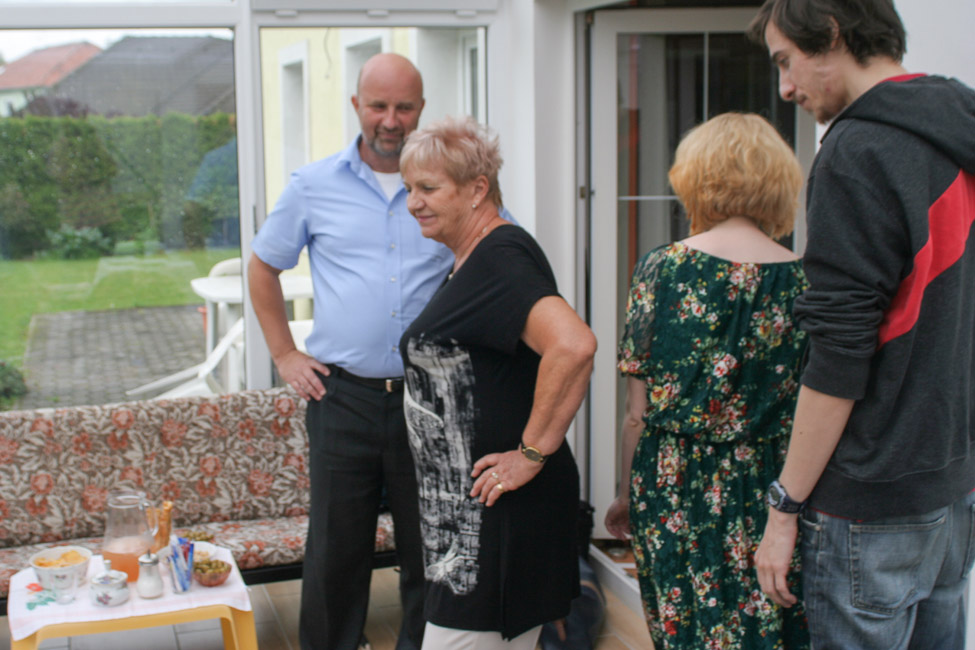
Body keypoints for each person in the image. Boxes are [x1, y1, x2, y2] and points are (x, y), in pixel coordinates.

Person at [748, 1, 975, 648]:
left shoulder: (858, 149)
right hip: (950, 489)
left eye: (786, 61)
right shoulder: (956, 125)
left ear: (831, 35)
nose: (785, 88)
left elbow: (840, 353)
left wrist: (784, 506)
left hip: (871, 500)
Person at [248, 52, 435, 650]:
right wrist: (285, 354)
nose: (391, 120)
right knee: (335, 552)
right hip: (343, 397)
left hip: (429, 401)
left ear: (421, 110)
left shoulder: (446, 183)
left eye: (403, 107)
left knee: (429, 549)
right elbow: (262, 267)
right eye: (378, 105)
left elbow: (497, 254)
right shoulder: (313, 185)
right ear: (356, 105)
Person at [604, 113, 810, 649]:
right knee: (764, 623)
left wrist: (624, 494)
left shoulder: (661, 269)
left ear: (695, 179)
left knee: (685, 629)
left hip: (672, 478)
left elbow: (636, 413)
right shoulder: (803, 280)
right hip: (768, 482)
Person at [398, 115, 597, 650]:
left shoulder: (499, 259)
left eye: (428, 188)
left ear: (477, 189)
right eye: (408, 189)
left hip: (499, 519)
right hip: (475, 519)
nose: (414, 202)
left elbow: (574, 345)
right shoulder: (473, 259)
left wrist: (530, 453)